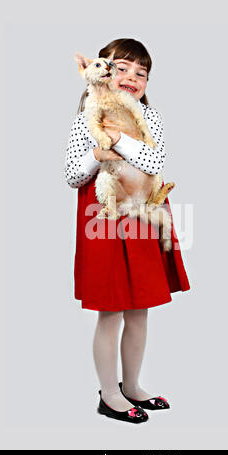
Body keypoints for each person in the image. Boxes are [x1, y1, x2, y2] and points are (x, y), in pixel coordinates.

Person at [65, 38, 191, 424]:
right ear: (100, 70)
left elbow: (154, 159)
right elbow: (72, 174)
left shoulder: (148, 119)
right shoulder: (87, 115)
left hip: (142, 211)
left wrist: (117, 139)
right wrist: (96, 153)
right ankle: (109, 394)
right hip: (103, 214)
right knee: (111, 309)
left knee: (139, 309)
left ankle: (132, 385)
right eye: (121, 68)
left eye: (142, 73)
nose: (132, 77)